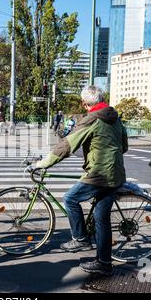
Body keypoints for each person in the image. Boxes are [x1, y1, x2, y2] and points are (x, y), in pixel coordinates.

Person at [36, 85, 128, 276]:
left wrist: (44, 163)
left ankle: (80, 238)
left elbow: (67, 145)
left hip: (100, 174)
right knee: (101, 218)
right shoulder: (115, 118)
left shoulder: (92, 120)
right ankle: (104, 263)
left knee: (70, 198)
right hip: (116, 173)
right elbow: (124, 146)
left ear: (85, 104)